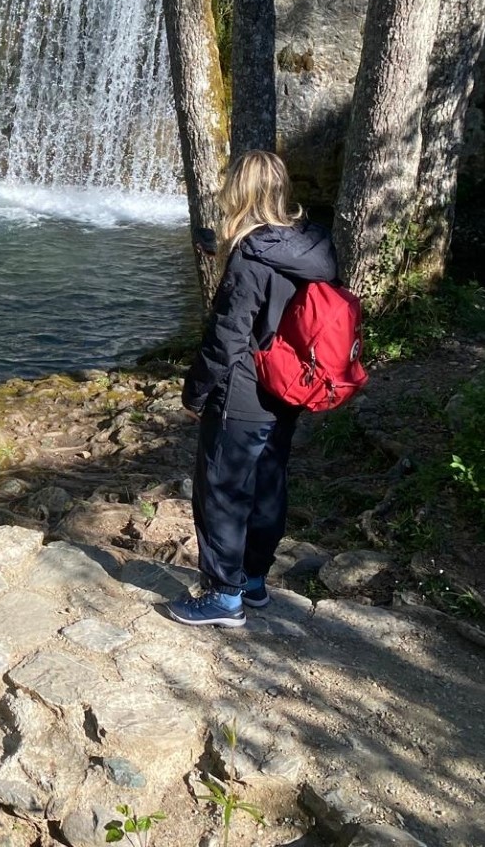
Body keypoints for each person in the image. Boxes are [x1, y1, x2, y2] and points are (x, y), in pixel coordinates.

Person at [166, 150, 338, 628]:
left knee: (222, 490)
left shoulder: (249, 255)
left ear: (239, 191)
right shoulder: (314, 246)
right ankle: (254, 581)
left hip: (243, 391)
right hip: (289, 385)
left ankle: (223, 596)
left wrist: (196, 393)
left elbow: (227, 335)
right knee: (268, 485)